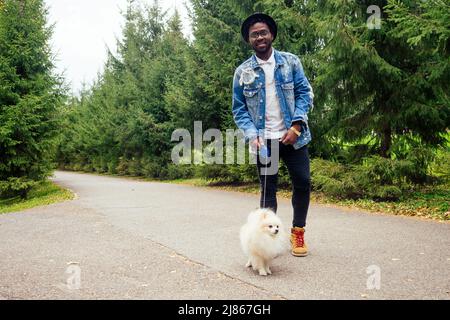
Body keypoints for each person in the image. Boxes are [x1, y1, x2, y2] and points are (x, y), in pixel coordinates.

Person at [232, 13, 314, 257]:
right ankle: (266, 240)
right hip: (265, 142)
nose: (259, 37)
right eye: (254, 34)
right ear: (249, 40)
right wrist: (251, 134)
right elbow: (239, 108)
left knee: (303, 183)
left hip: (294, 137)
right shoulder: (243, 72)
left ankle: (298, 232)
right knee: (268, 190)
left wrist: (297, 126)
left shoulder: (290, 62)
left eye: (263, 32)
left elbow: (305, 93)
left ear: (272, 35)